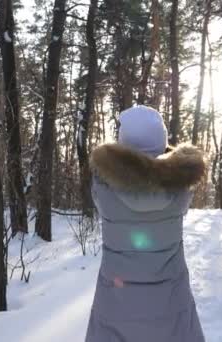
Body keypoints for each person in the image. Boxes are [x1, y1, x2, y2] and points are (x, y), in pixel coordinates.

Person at [85, 105, 206, 342]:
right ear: (163, 143)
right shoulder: (180, 188)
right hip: (171, 303)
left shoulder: (103, 187)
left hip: (115, 304)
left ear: (123, 146)